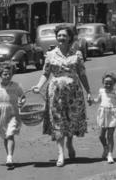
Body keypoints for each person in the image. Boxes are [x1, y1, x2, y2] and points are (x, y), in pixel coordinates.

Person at [32, 24, 93, 167]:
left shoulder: (77, 54)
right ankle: (60, 153)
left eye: (64, 35)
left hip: (74, 93)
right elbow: (45, 73)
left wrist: (89, 91)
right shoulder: (50, 54)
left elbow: (82, 74)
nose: (61, 38)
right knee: (58, 121)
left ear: (70, 37)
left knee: (71, 119)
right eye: (59, 35)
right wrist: (38, 86)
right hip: (56, 93)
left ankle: (70, 143)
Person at [0, 62, 26, 168]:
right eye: (5, 74)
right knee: (5, 136)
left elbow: (23, 96)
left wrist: (22, 102)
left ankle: (9, 157)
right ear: (0, 74)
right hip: (2, 114)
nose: (7, 76)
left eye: (9, 74)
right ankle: (9, 155)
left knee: (10, 134)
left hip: (13, 112)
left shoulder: (16, 86)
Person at [93, 72, 116, 164]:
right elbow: (97, 100)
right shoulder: (101, 91)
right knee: (101, 136)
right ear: (103, 82)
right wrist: (92, 101)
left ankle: (110, 155)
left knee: (110, 135)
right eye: (106, 83)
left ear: (114, 83)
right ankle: (105, 147)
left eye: (110, 83)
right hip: (103, 114)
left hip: (112, 114)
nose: (108, 85)